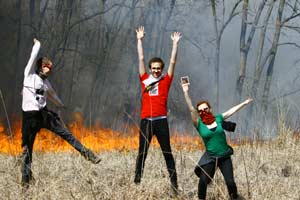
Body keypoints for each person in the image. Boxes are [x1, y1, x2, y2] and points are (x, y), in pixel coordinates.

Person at [21, 38, 101, 188]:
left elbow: (53, 96)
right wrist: (37, 45)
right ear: (41, 66)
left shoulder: (46, 84)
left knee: (66, 134)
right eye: (47, 67)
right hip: (30, 117)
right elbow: (33, 57)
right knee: (27, 149)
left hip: (43, 115)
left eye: (50, 68)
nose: (49, 70)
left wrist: (62, 105)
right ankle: (25, 182)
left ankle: (89, 154)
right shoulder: (29, 75)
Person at [181, 81, 252, 200]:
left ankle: (234, 198)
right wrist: (185, 92)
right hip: (211, 158)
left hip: (224, 156)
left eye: (206, 109)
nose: (203, 111)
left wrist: (244, 103)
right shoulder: (199, 123)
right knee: (203, 181)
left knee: (230, 183)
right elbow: (191, 109)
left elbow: (231, 111)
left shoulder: (218, 118)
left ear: (210, 109)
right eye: (201, 110)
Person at [134, 26, 181, 194]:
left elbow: (173, 62)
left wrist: (175, 44)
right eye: (153, 68)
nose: (155, 70)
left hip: (161, 121)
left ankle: (174, 185)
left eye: (158, 68)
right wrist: (139, 40)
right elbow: (140, 58)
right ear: (150, 68)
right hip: (146, 121)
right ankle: (137, 183)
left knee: (167, 153)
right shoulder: (145, 79)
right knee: (142, 153)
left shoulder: (165, 80)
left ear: (161, 69)